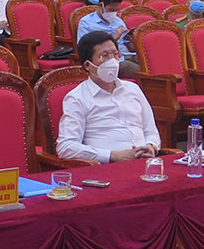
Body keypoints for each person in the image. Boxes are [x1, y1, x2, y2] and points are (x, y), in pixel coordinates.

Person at [56, 31, 160, 164]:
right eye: (104, 56)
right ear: (87, 65)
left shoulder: (133, 89)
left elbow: (151, 131)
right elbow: (65, 147)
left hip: (145, 163)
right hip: (106, 166)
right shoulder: (77, 97)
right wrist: (112, 155)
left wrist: (151, 146)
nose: (112, 61)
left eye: (115, 55)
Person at [76, 0, 140, 77]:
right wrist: (114, 38)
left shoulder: (118, 21)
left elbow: (129, 45)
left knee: (151, 62)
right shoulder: (86, 23)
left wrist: (132, 38)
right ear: (101, 5)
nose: (113, 13)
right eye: (111, 10)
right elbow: (85, 49)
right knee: (142, 70)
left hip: (127, 54)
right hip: (108, 60)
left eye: (116, 10)